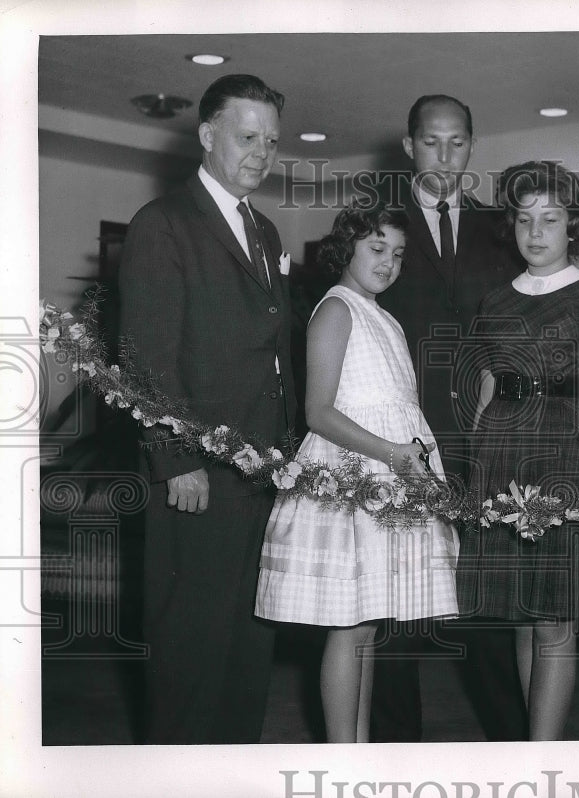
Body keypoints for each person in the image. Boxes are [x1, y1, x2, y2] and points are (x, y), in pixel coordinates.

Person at [117, 74, 297, 743]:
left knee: (249, 646)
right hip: (198, 478)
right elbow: (145, 358)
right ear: (207, 135)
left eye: (271, 141)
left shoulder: (266, 228)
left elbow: (277, 353)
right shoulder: (163, 224)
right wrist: (175, 460)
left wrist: (289, 453)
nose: (261, 152)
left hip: (261, 470)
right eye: (247, 137)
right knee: (190, 651)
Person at [254, 202, 459, 743]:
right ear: (347, 248)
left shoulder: (383, 316)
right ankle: (345, 755)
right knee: (348, 626)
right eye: (376, 249)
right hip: (352, 476)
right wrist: (393, 454)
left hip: (392, 470)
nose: (388, 262)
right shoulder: (336, 310)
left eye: (397, 254)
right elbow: (319, 411)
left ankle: (360, 751)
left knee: (368, 625)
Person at [457, 160, 579, 740]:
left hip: (566, 456)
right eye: (524, 220)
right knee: (520, 616)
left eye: (550, 219)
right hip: (502, 456)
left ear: (574, 227)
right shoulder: (493, 302)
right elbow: (486, 392)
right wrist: (475, 483)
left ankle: (542, 762)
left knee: (555, 621)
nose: (535, 233)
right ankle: (528, 758)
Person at [374, 94, 527, 742]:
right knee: (398, 607)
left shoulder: (500, 229)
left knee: (486, 603)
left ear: (471, 145)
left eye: (457, 142)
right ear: (409, 147)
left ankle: (512, 749)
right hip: (399, 439)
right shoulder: (377, 225)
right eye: (431, 142)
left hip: (480, 439)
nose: (445, 155)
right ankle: (393, 757)